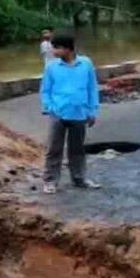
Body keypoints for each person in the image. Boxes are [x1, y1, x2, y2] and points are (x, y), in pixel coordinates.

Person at [40, 34, 101, 194]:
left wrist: (92, 111)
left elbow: (92, 88)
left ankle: (79, 178)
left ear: (68, 49)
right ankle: (50, 181)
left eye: (57, 47)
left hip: (80, 113)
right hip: (58, 114)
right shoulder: (51, 67)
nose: (53, 51)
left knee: (78, 149)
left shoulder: (86, 63)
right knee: (54, 149)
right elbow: (45, 90)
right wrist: (50, 107)